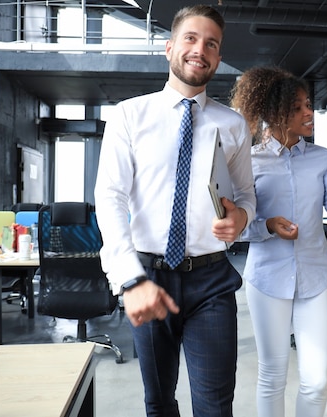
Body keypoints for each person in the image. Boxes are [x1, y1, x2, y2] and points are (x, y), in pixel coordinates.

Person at [94, 5, 256, 417]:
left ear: (218, 58)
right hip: (149, 273)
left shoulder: (233, 124)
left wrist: (242, 218)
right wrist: (130, 280)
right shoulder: (130, 115)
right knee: (159, 402)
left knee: (215, 407)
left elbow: (247, 196)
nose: (199, 49)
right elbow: (110, 198)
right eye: (190, 38)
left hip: (212, 280)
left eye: (211, 44)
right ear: (169, 48)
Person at [230, 66, 327, 417]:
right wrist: (268, 225)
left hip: (315, 279)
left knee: (317, 381)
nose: (308, 113)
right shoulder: (250, 162)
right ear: (275, 114)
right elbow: (238, 231)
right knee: (272, 376)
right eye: (298, 107)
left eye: (308, 104)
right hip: (267, 279)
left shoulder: (321, 158)